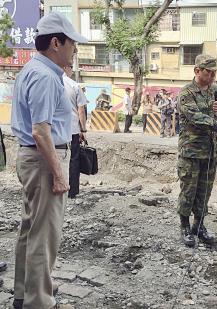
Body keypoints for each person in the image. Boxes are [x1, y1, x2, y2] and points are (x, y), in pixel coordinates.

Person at [10, 11, 87, 309]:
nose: (74, 50)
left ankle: (24, 294)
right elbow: (41, 131)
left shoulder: (33, 70)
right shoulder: (45, 76)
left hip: (35, 157)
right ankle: (38, 302)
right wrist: (58, 174)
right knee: (44, 235)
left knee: (31, 230)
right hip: (44, 158)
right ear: (56, 43)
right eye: (71, 43)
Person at [177, 54, 217, 247]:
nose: (212, 76)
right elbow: (196, 118)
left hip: (211, 151)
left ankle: (199, 226)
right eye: (209, 72)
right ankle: (185, 227)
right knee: (189, 189)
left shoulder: (215, 91)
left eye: (214, 73)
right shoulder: (187, 93)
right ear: (197, 71)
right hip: (192, 151)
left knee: (205, 190)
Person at [63, 65, 87, 199]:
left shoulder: (52, 83)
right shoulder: (74, 85)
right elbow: (81, 110)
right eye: (71, 67)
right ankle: (72, 191)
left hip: (56, 130)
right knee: (74, 159)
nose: (71, 70)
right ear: (66, 68)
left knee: (58, 158)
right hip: (73, 129)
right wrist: (83, 130)